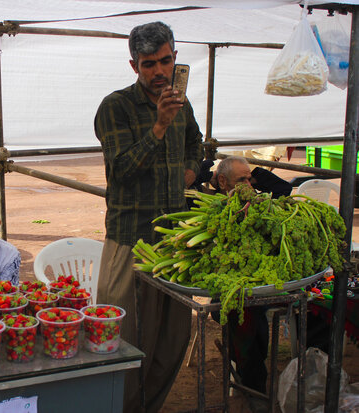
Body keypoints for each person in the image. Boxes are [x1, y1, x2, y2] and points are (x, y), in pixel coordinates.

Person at [94, 22, 204, 412]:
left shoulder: (182, 103)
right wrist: (158, 126)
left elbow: (196, 141)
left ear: (175, 58)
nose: (159, 72)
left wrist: (191, 168)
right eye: (148, 64)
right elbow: (121, 170)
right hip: (131, 240)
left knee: (171, 343)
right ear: (134, 66)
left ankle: (148, 408)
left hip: (174, 242)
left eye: (166, 61)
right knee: (125, 343)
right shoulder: (116, 107)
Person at [203, 156, 292, 413]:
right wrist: (213, 179)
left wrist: (253, 176)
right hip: (229, 288)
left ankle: (254, 382)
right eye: (241, 180)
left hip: (262, 281)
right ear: (222, 181)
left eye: (249, 179)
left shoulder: (258, 204)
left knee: (307, 306)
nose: (249, 185)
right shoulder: (211, 205)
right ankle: (252, 386)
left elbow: (285, 190)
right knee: (244, 317)